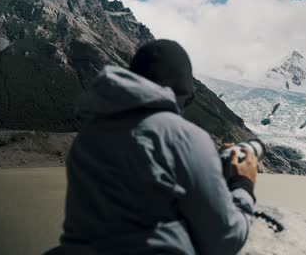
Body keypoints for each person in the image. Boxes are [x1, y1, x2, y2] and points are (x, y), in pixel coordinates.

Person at [45, 39, 258, 255]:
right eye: (189, 98)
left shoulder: (87, 138)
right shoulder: (184, 137)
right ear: (184, 91)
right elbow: (226, 239)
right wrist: (243, 183)